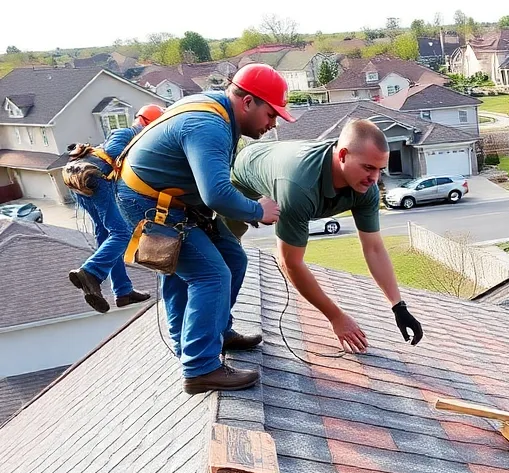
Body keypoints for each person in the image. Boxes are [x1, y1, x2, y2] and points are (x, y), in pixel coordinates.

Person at [115, 64, 288, 394]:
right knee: (209, 274)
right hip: (151, 202)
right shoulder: (210, 125)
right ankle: (199, 368)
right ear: (248, 101)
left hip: (177, 201)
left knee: (232, 260)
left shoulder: (218, 112)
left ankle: (214, 332)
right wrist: (257, 209)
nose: (273, 123)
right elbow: (217, 193)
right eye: (271, 113)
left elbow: (211, 186)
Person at [229, 119, 423, 352]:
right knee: (226, 260)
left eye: (380, 169)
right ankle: (217, 338)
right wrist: (336, 317)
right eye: (368, 168)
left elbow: (373, 248)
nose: (375, 179)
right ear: (342, 155)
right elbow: (289, 262)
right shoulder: (299, 187)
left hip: (280, 170)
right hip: (240, 177)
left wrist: (398, 306)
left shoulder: (366, 188)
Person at [67, 103, 163, 313]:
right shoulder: (130, 133)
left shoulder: (128, 133)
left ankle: (122, 291)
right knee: (123, 232)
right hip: (98, 181)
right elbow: (116, 157)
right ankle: (91, 272)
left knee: (105, 233)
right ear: (151, 123)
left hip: (84, 184)